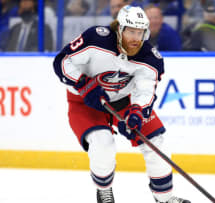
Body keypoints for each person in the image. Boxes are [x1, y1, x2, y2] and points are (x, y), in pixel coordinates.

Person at [52, 5, 191, 203]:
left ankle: (165, 198)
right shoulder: (96, 39)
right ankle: (104, 190)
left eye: (140, 32)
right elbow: (62, 62)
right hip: (86, 101)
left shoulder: (150, 58)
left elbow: (144, 91)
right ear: (120, 28)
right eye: (131, 31)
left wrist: (136, 113)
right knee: (103, 143)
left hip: (124, 102)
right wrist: (82, 83)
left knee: (155, 142)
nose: (136, 38)